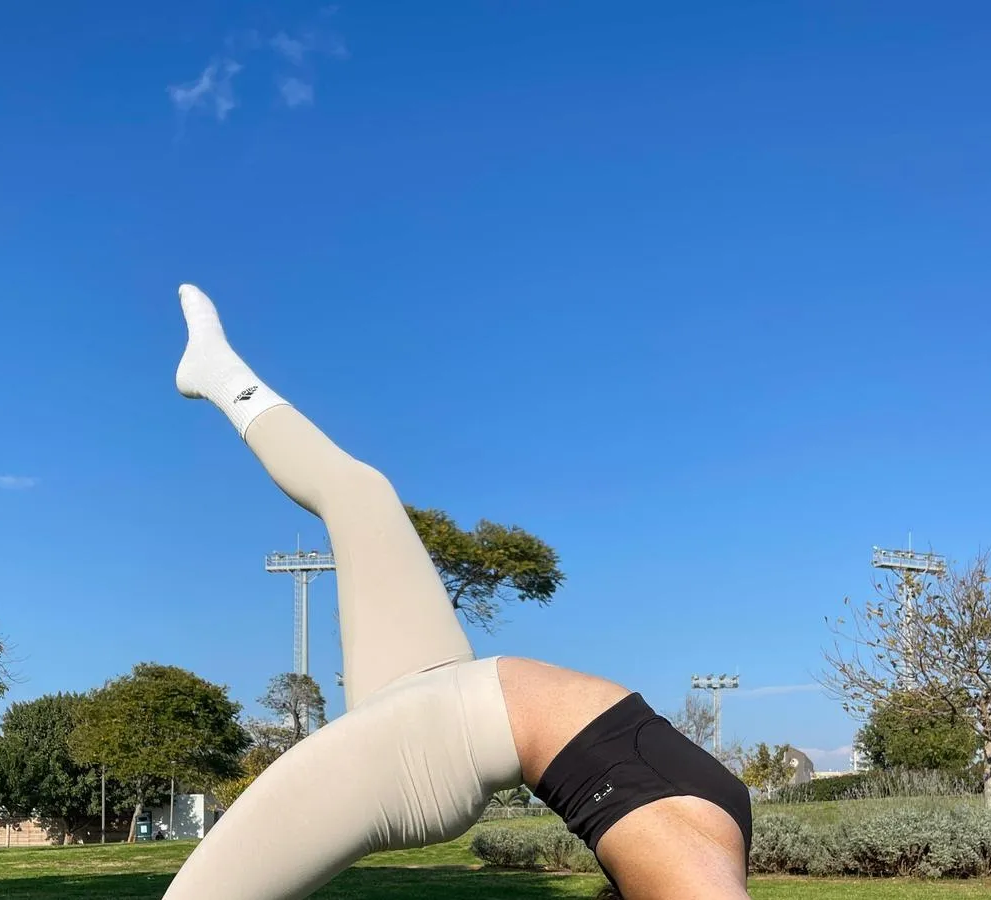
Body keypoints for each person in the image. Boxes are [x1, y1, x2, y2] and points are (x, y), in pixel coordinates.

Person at [163, 285, 752, 900]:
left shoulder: (685, 872)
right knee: (360, 493)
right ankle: (216, 370)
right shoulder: (705, 851)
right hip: (439, 685)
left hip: (432, 745)